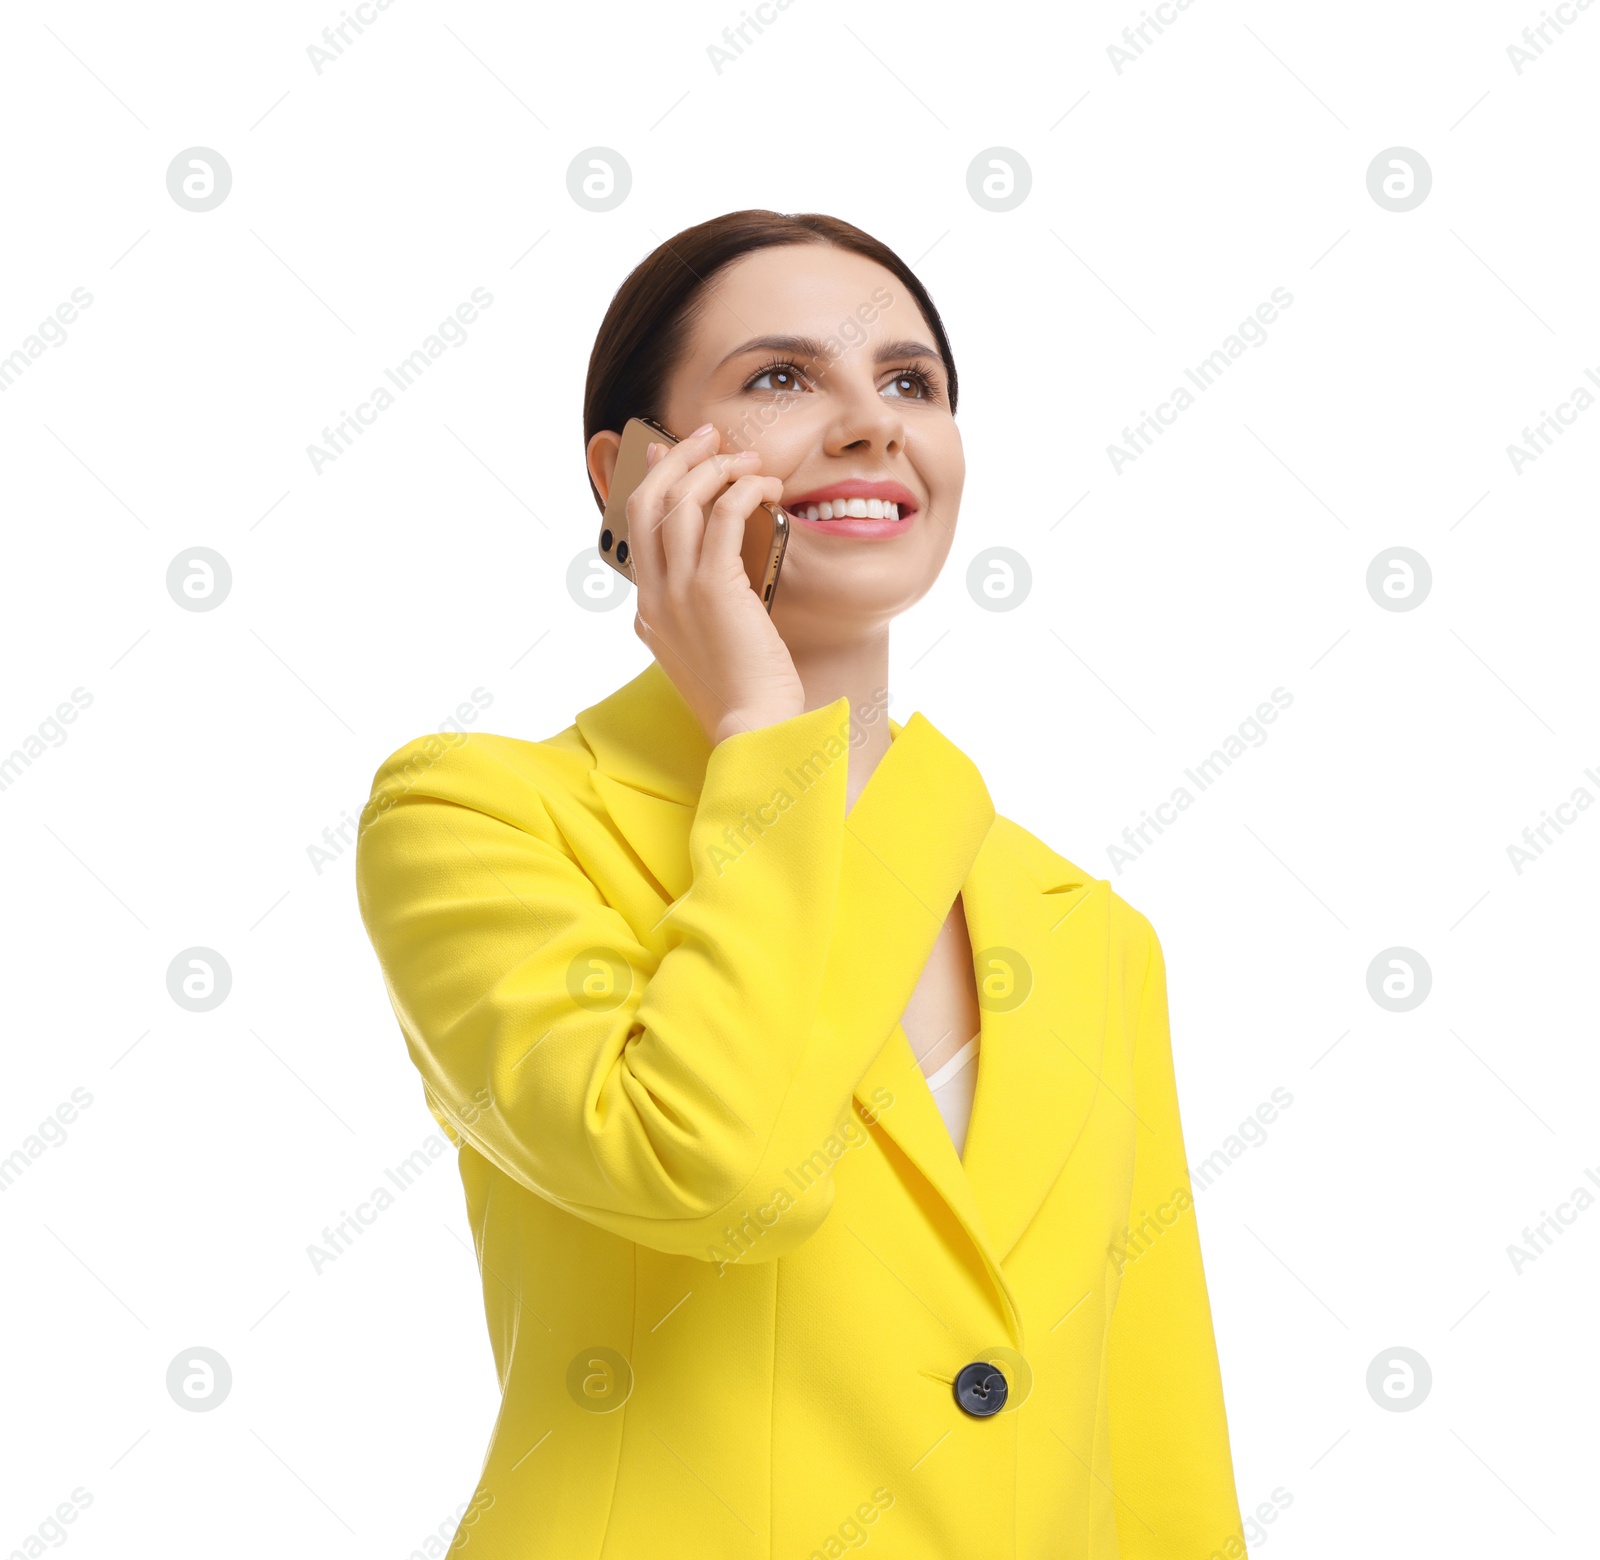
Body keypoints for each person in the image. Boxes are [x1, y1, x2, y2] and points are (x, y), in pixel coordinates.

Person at [355, 209, 1247, 1558]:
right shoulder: (480, 817)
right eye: (781, 378)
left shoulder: (1089, 933)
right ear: (628, 475)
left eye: (911, 383)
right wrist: (767, 740)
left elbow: (1155, 1421)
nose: (872, 424)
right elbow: (714, 1167)